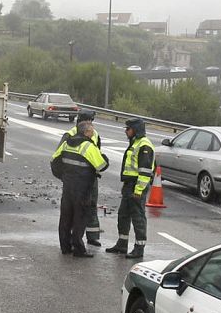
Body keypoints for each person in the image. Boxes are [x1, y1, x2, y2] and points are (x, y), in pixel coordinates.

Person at [50, 117, 109, 257]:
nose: (93, 134)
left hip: (68, 186)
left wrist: (63, 176)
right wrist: (104, 157)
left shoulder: (67, 143)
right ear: (87, 133)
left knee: (65, 217)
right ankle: (78, 249)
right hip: (82, 188)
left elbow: (54, 161)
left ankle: (65, 247)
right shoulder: (88, 146)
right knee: (80, 218)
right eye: (92, 132)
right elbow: (102, 166)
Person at [105, 117, 156, 259]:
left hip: (136, 187)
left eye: (128, 129)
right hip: (129, 186)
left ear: (136, 130)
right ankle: (122, 244)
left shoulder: (144, 146)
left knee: (138, 217)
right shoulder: (136, 142)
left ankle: (139, 248)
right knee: (123, 215)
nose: (126, 131)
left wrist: (138, 191)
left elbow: (145, 172)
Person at [59, 110, 105, 247]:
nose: (91, 124)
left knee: (90, 206)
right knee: (74, 210)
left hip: (90, 177)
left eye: (92, 121)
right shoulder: (70, 134)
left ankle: (92, 236)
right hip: (74, 179)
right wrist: (65, 175)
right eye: (89, 121)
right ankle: (74, 239)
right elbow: (60, 155)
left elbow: (97, 152)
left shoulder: (94, 133)